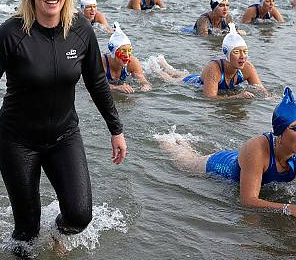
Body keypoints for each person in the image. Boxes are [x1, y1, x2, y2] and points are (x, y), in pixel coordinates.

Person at [0, 0, 127, 246]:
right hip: (18, 140)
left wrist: (116, 130)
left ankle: (57, 237)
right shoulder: (11, 33)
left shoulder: (81, 30)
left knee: (80, 215)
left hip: (65, 135)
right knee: (26, 233)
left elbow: (97, 82)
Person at [158, 87, 296, 216]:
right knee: (184, 161)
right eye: (294, 128)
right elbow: (248, 201)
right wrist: (287, 208)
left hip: (247, 163)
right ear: (279, 131)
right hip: (217, 165)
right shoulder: (258, 148)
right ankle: (167, 139)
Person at [183, 24, 266, 99]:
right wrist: (236, 97)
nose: (242, 56)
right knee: (172, 79)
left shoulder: (247, 68)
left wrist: (270, 99)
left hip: (210, 81)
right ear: (228, 54)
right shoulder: (213, 69)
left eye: (245, 52)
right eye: (236, 52)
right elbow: (210, 98)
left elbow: (261, 91)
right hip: (192, 82)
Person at [101, 23, 151, 92]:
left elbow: (144, 81)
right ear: (114, 52)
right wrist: (117, 88)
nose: (127, 55)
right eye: (123, 51)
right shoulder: (100, 63)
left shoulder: (132, 62)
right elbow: (94, 84)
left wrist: (145, 86)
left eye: (129, 50)